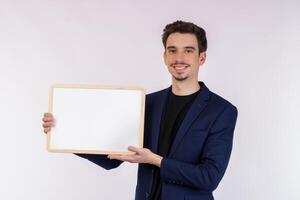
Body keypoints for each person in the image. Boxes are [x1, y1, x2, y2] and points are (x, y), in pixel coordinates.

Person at [42, 20, 238, 200]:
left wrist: (156, 160)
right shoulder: (148, 103)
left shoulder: (221, 111)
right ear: (164, 56)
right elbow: (113, 159)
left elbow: (209, 177)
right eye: (172, 50)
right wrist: (66, 134)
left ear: (201, 57)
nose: (179, 58)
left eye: (188, 50)